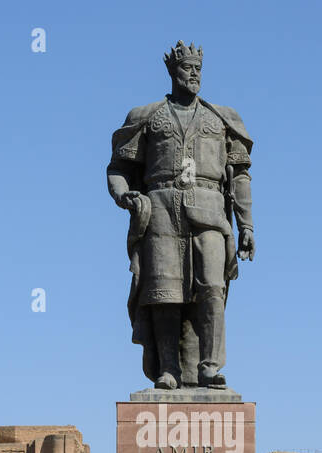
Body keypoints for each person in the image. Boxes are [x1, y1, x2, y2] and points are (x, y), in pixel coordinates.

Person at [107, 41, 255, 390]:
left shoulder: (221, 119)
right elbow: (118, 168)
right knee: (164, 293)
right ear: (173, 72)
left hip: (210, 210)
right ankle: (169, 369)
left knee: (212, 289)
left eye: (198, 69)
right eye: (187, 69)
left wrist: (246, 224)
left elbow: (241, 175)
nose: (193, 74)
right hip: (159, 209)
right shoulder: (145, 117)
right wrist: (124, 194)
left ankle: (209, 367)